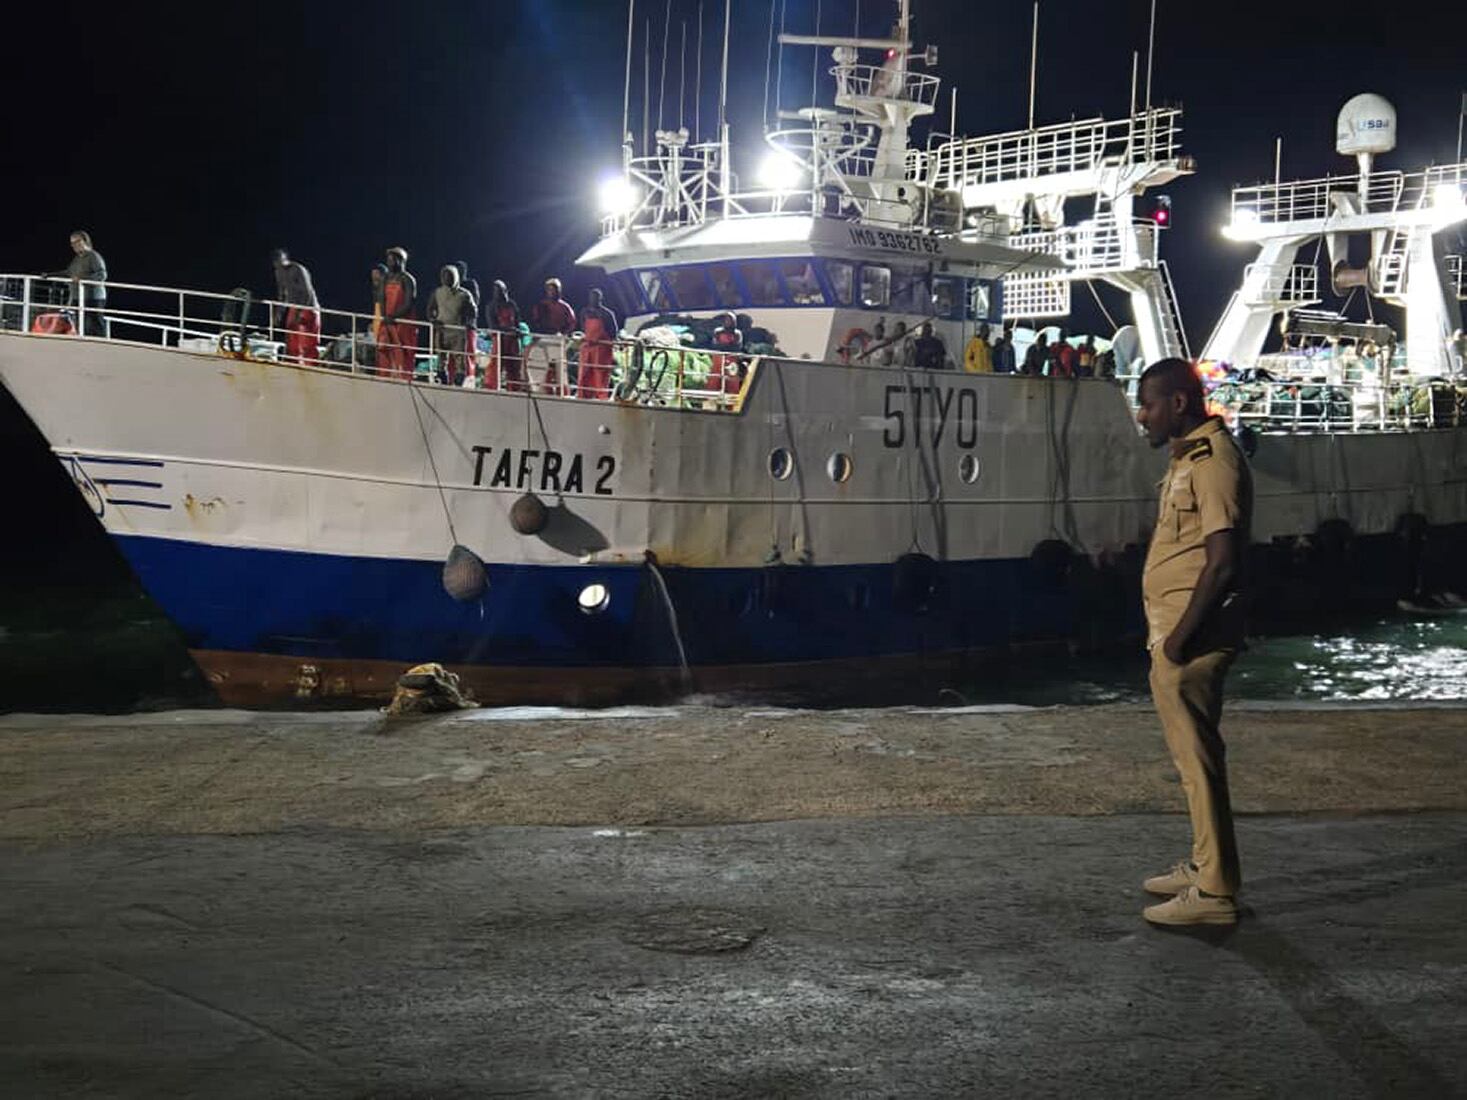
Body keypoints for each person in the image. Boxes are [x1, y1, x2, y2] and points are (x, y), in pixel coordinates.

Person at [1133, 357, 1253, 927]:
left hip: (1191, 638)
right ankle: (1207, 865)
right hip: (1176, 632)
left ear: (1178, 403)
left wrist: (1179, 643)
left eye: (1149, 403)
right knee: (1190, 762)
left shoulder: (1212, 461)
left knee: (1200, 764)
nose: (1142, 415)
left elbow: (1222, 564)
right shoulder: (1190, 457)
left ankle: (1214, 893)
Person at [48, 230, 108, 335]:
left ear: (85, 241)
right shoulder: (77, 259)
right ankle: (83, 343)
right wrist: (49, 275)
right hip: (78, 297)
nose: (74, 245)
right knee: (80, 322)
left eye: (77, 241)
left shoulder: (93, 256)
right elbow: (68, 272)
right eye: (72, 243)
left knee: (95, 323)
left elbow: (102, 275)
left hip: (93, 297)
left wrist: (83, 280)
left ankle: (102, 345)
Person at [270, 248, 320, 364]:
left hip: (309, 308)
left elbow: (307, 292)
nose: (279, 265)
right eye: (276, 263)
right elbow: (282, 294)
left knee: (308, 343)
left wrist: (300, 312)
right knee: (292, 342)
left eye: (280, 261)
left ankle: (311, 367)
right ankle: (293, 365)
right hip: (293, 308)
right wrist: (279, 313)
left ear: (285, 259)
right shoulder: (278, 272)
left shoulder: (298, 269)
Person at [428, 265, 476, 385]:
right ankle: (442, 383)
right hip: (442, 330)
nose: (446, 279)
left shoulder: (465, 295)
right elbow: (429, 309)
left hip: (457, 331)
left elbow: (473, 312)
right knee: (441, 359)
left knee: (460, 361)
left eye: (449, 276)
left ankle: (459, 386)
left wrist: (469, 323)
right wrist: (433, 320)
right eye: (444, 276)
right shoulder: (437, 292)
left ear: (455, 277)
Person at [529, 277, 576, 394]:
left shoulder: (565, 307)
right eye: (550, 289)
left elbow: (572, 323)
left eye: (555, 289)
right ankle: (541, 389)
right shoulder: (541, 306)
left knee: (559, 368)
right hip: (543, 340)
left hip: (557, 339)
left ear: (559, 290)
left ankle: (562, 392)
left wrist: (563, 334)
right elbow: (535, 321)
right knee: (540, 365)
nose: (552, 291)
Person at [376, 247, 418, 379]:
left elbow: (408, 303)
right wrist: (384, 316)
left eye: (392, 260)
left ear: (400, 261)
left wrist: (393, 317)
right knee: (384, 351)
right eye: (388, 260)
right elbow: (381, 298)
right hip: (387, 322)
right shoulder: (385, 278)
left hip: (403, 323)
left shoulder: (408, 279)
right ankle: (384, 377)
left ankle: (404, 378)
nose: (389, 263)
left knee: (403, 353)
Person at [578, 288, 618, 400]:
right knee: (585, 374)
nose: (593, 300)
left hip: (602, 350)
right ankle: (583, 396)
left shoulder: (607, 314)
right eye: (591, 297)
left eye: (595, 297)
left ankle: (601, 397)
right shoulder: (584, 312)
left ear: (600, 299)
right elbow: (582, 328)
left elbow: (614, 333)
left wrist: (603, 341)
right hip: (587, 348)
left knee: (600, 375)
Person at [489, 280, 522, 391]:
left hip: (513, 341)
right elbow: (493, 326)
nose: (497, 293)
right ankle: (493, 388)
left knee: (514, 367)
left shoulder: (512, 304)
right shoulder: (491, 306)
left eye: (500, 290)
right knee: (496, 366)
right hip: (499, 340)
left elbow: (518, 322)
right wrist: (509, 330)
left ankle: (514, 389)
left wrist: (517, 331)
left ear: (505, 291)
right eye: (495, 291)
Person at [711, 311, 745, 402]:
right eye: (726, 320)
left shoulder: (737, 333)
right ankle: (711, 398)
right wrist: (727, 346)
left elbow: (737, 347)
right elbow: (715, 345)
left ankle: (732, 400)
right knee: (715, 380)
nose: (728, 322)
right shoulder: (718, 332)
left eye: (730, 320)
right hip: (718, 359)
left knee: (732, 381)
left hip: (732, 359)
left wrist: (726, 347)